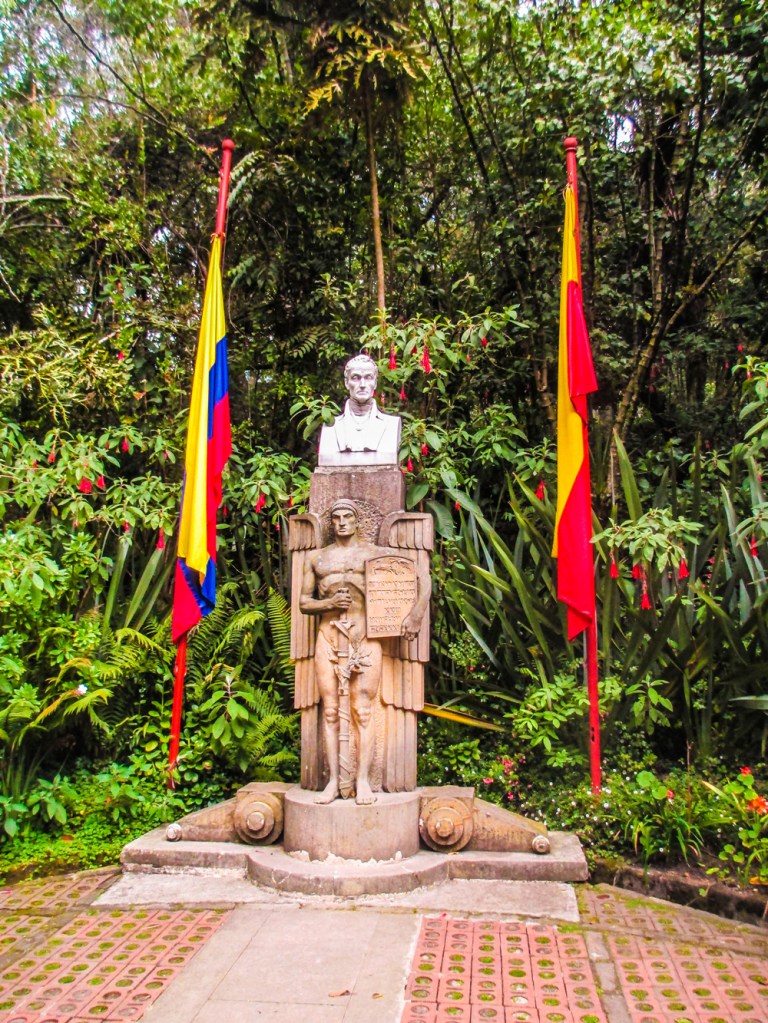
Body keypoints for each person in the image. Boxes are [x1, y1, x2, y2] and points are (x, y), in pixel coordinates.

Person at [299, 499, 428, 804]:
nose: (341, 522)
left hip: (365, 637)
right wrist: (328, 604)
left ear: (357, 522)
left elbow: (422, 578)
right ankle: (333, 781)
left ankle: (363, 781)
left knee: (363, 710)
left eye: (347, 517)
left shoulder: (375, 554)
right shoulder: (318, 559)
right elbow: (304, 602)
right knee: (330, 710)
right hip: (329, 637)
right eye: (336, 518)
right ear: (331, 523)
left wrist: (415, 614)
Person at [317, 354, 401, 465]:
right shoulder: (331, 427)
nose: (362, 385)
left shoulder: (391, 425)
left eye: (368, 377)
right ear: (347, 383)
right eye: (356, 378)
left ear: (375, 383)